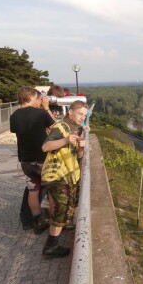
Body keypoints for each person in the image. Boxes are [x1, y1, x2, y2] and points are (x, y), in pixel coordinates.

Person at [41, 100, 87, 258]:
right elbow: (45, 147)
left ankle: (54, 241)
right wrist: (66, 140)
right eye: (80, 114)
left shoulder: (77, 129)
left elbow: (78, 156)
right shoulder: (61, 127)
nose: (82, 118)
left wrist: (81, 147)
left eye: (84, 115)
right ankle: (50, 247)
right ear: (70, 112)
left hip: (68, 175)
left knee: (67, 209)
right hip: (56, 175)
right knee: (62, 210)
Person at [10, 87, 55, 234]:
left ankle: (36, 220)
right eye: (38, 98)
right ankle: (54, 220)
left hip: (25, 160)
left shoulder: (14, 115)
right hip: (42, 159)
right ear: (30, 98)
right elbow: (58, 128)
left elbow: (21, 131)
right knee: (51, 189)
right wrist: (46, 108)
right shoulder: (41, 113)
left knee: (33, 190)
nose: (39, 101)